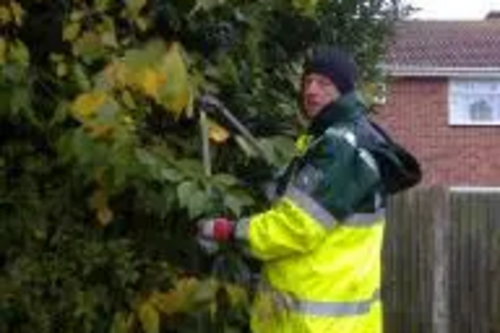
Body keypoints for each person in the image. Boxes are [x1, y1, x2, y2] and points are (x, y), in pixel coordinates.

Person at [198, 45, 421, 333]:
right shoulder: (337, 138)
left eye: (324, 83)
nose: (311, 90)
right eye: (307, 82)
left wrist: (227, 230)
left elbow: (296, 227)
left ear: (343, 90)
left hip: (316, 325)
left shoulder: (340, 147)